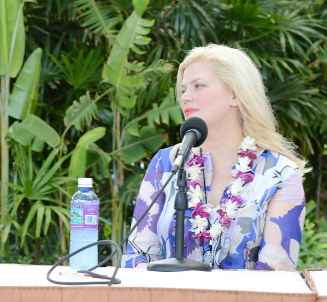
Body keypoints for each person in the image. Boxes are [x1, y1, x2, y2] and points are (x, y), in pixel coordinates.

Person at [123, 44, 307, 270]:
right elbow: (137, 257)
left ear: (235, 94)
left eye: (198, 86)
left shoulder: (279, 174)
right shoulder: (167, 163)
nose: (186, 98)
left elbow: (276, 275)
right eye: (183, 90)